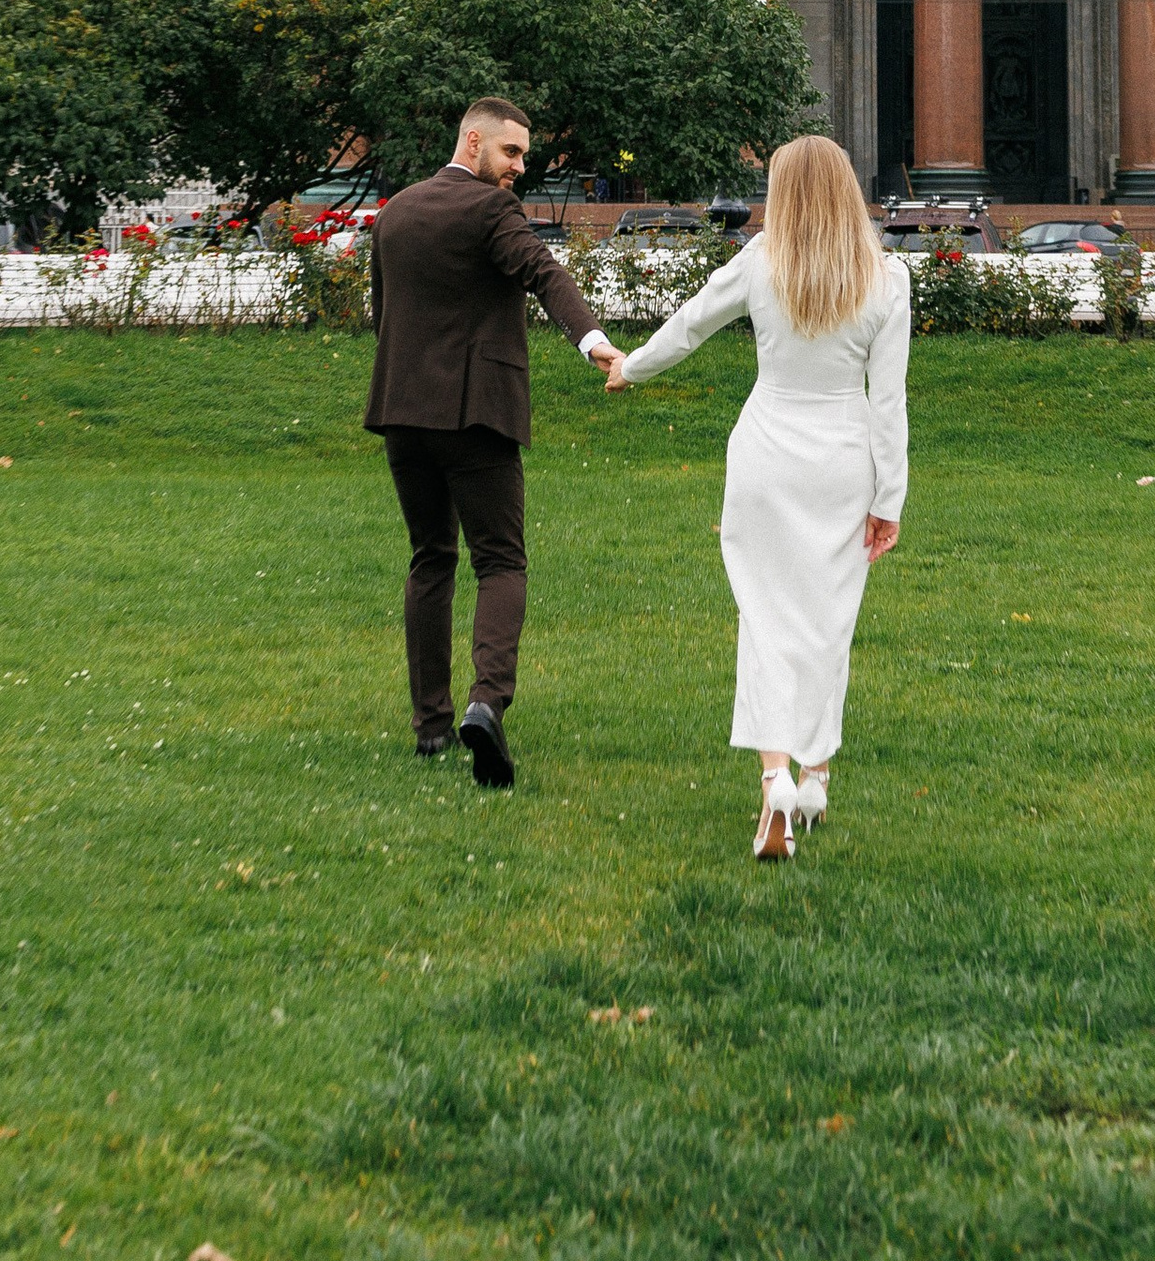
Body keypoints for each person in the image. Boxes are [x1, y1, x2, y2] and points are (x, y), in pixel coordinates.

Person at [609, 135, 906, 862]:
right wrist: (889, 497)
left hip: (768, 451)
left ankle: (775, 777)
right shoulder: (887, 276)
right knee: (827, 624)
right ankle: (817, 777)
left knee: (766, 620)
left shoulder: (759, 262)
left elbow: (688, 326)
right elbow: (888, 403)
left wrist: (630, 367)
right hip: (843, 457)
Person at [365, 97, 624, 788]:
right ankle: (486, 702)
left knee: (430, 559)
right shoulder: (491, 211)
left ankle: (430, 728)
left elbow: (382, 314)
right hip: (477, 413)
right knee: (502, 563)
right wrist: (595, 343)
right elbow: (544, 273)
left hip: (401, 412)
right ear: (473, 140)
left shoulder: (394, 214)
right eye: (510, 153)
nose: (517, 169)